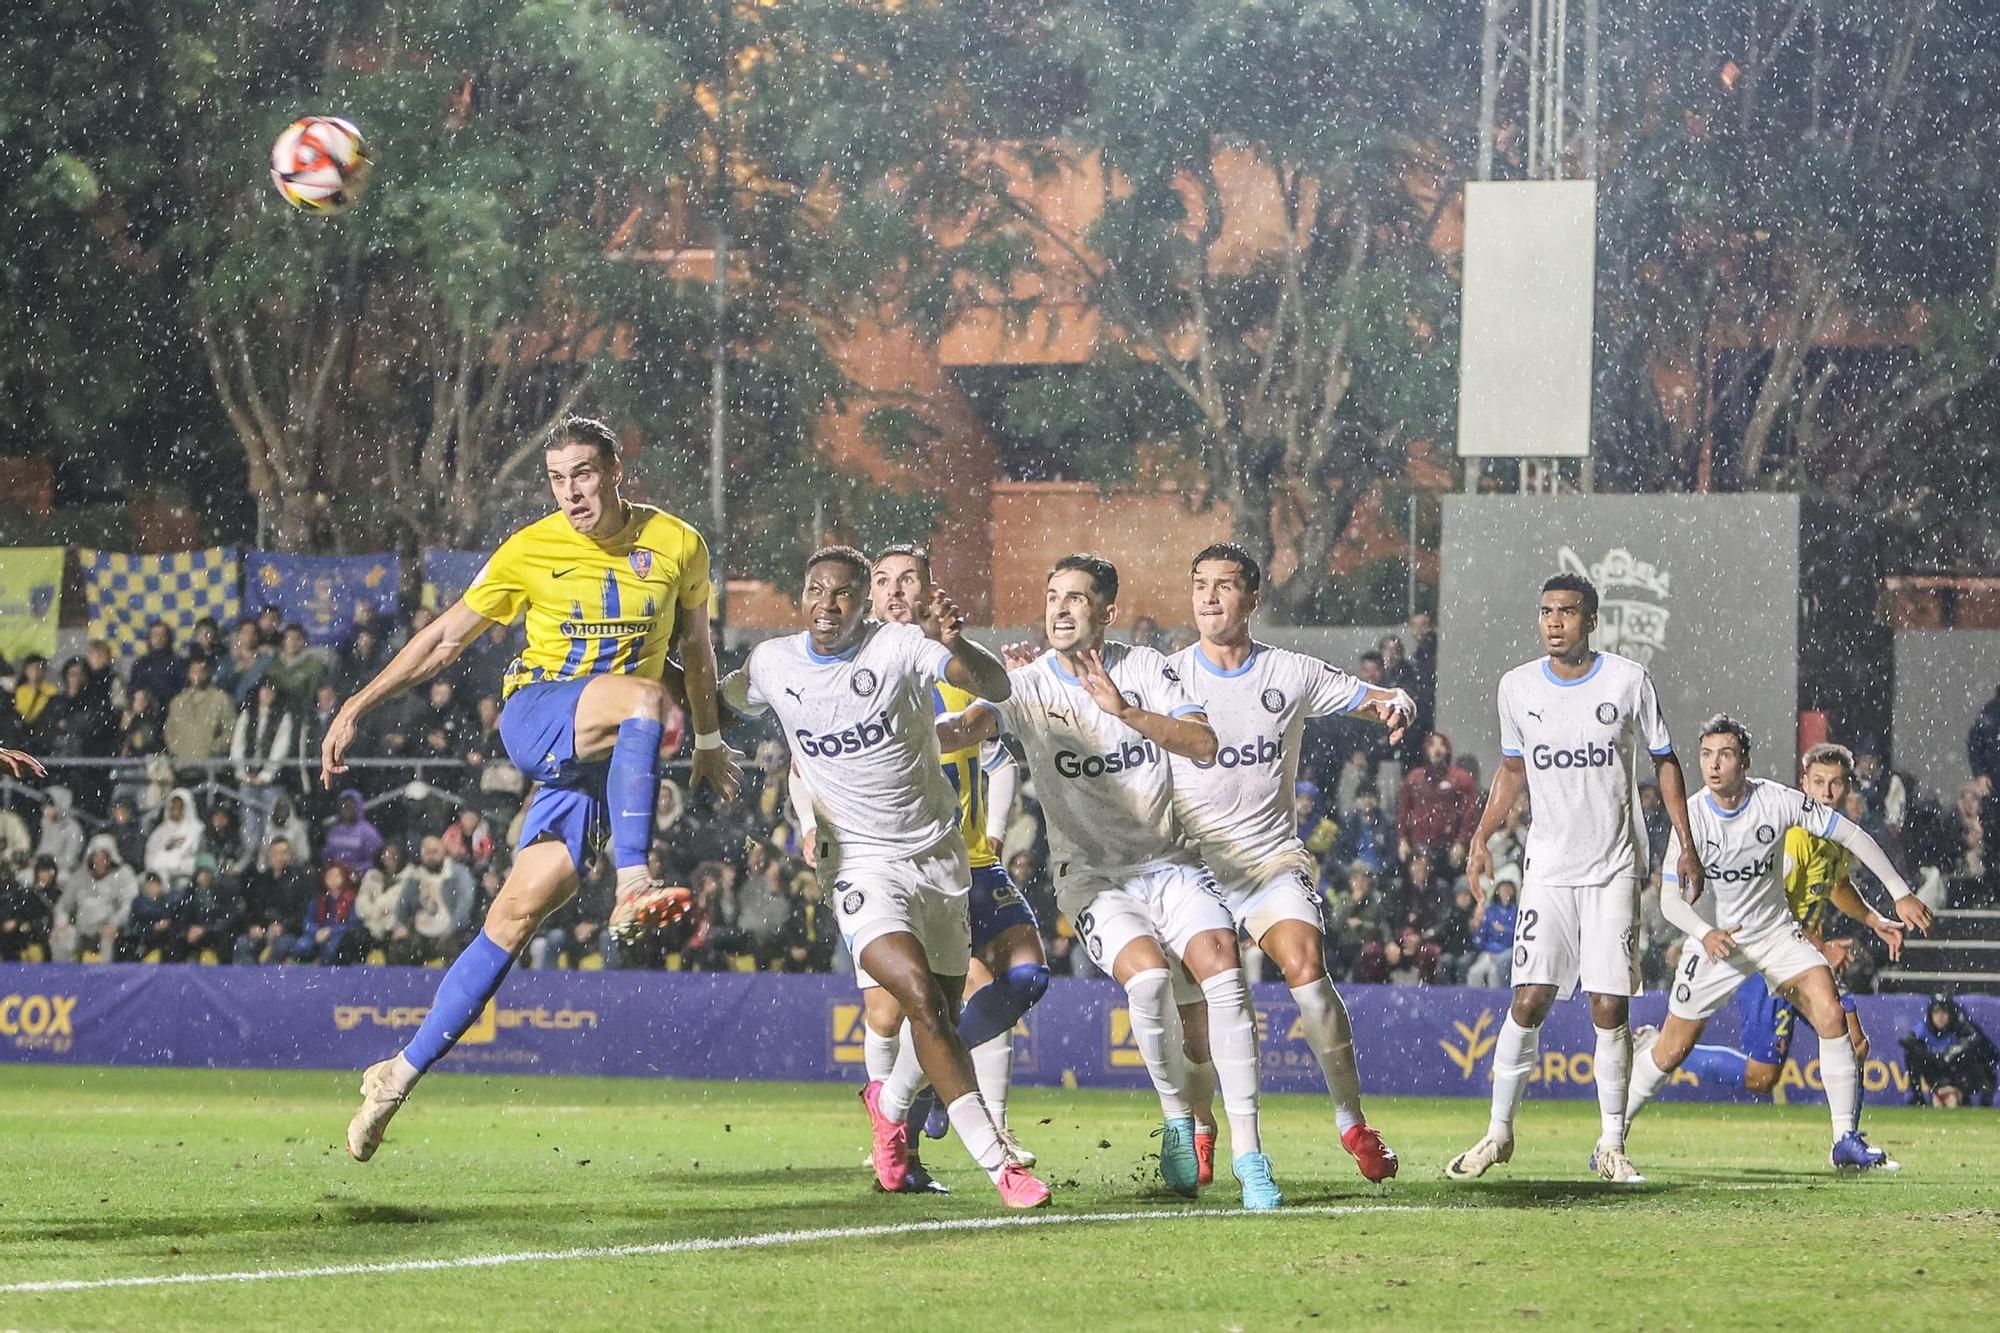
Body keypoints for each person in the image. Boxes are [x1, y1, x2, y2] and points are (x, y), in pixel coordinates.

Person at [336, 415, 739, 1161]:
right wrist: (361, 702)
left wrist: (712, 741)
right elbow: (445, 637)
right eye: (557, 478)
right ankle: (633, 878)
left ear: (618, 469)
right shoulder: (530, 549)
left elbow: (697, 652)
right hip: (539, 714)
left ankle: (396, 1075)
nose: (571, 491)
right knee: (647, 702)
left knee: (515, 915)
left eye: (583, 472)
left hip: (601, 757)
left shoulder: (678, 545)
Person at [937, 553, 1277, 1208]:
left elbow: (1203, 744)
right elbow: (970, 724)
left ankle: (1249, 1153)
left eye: (1076, 598)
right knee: (1149, 981)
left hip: (1171, 861)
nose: (1060, 609)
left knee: (1223, 974)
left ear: (1106, 611)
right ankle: (1179, 1118)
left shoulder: (1149, 668)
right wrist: (918, 734)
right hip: (1092, 874)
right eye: (1052, 596)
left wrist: (1124, 710)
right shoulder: (1027, 683)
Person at [722, 545, 1047, 1208]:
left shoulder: (899, 646)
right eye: (816, 590)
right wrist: (691, 716)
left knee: (942, 1012)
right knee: (916, 999)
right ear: (801, 596)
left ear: (860, 602)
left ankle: (890, 1111)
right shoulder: (773, 663)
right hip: (859, 865)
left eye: (840, 592)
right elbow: (721, 701)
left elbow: (995, 686)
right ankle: (1001, 1163)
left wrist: (960, 643)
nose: (827, 603)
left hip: (937, 857)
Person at [1162, 543, 1408, 1184]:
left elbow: (1371, 695)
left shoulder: (1288, 673)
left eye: (1223, 585)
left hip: (1269, 859)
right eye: (1200, 585)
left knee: (1304, 964)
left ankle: (1352, 1122)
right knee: (1199, 1019)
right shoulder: (1165, 677)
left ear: (1252, 598)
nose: (1209, 597)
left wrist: (1395, 703)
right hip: (1192, 865)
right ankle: (1204, 1126)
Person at [1447, 572, 1701, 1186]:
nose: (1555, 621)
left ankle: (1612, 1143)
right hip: (1549, 869)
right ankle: (1497, 1134)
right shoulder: (1517, 687)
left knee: (1608, 1006)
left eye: (1567, 611)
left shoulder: (1627, 681)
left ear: (1591, 620)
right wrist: (1481, 835)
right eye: (1546, 612)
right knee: (1528, 998)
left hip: (1613, 866)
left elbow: (1665, 760)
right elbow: (1512, 769)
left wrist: (1683, 843)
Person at [1621, 716, 1919, 1171]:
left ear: (1745, 761)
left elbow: (1852, 836)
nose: (1714, 765)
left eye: (1725, 754)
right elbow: (1667, 899)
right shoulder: (1693, 816)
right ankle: (1611, 1138)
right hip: (1716, 943)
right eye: (1706, 755)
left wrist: (1897, 894)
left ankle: (1845, 1142)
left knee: (1831, 1012)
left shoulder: (1776, 801)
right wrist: (1704, 933)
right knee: (1672, 1051)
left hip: (1775, 933)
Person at [840, 544, 1050, 1184]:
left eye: (910, 579)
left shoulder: (953, 664)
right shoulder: (853, 672)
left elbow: (999, 708)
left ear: (933, 591)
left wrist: (974, 652)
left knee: (1027, 978)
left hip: (971, 861)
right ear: (870, 599)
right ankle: (901, 1152)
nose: (896, 590)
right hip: (889, 864)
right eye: (883, 581)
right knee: (892, 1012)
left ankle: (919, 1091)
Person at [1668, 743, 1932, 1100]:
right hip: (1769, 959)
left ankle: (1849, 1141)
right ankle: (1665, 1052)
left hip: (1803, 956)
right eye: (1819, 782)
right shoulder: (1793, 838)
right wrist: (1823, 947)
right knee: (1761, 1077)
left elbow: (1836, 885)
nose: (1827, 792)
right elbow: (1774, 914)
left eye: (1836, 783)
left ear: (1848, 788)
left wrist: (1873, 919)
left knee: (1854, 1043)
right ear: (1803, 784)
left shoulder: (1832, 835)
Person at [1396, 732, 1480, 870]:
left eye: (1441, 745)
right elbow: (1403, 812)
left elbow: (1469, 814)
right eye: (1432, 745)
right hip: (1420, 846)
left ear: (1447, 750)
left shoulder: (1461, 780)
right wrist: (1402, 839)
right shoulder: (1414, 779)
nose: (1437, 749)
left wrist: (1461, 842)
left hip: (1450, 845)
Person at [50, 835, 138, 962]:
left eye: (104, 857)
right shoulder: (79, 876)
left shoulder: (124, 874)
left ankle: (106, 976)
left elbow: (129, 903)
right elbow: (64, 905)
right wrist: (60, 923)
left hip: (110, 927)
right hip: (82, 928)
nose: (99, 861)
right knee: (60, 938)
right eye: (96, 857)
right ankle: (64, 976)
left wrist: (115, 923)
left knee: (108, 938)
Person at [1899, 994, 1998, 1108]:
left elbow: (1977, 1041)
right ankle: (1918, 1097)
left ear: (1950, 1014)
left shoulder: (1960, 1025)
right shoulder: (1924, 1029)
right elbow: (1906, 1040)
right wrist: (1931, 1055)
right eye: (1936, 1013)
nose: (1940, 1017)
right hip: (1937, 1073)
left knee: (1975, 1055)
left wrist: (1953, 1052)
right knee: (1912, 1054)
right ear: (1930, 1015)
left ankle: (1977, 1100)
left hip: (1960, 1074)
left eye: (1943, 1013)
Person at [231, 678, 295, 843]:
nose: (266, 694)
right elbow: (237, 743)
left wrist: (267, 774)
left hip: (272, 781)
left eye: (270, 691)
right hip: (248, 776)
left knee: (271, 822)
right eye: (264, 690)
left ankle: (267, 857)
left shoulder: (282, 716)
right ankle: (251, 855)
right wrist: (241, 771)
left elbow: (281, 747)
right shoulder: (248, 714)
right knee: (249, 821)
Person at [235, 836, 314, 964]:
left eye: (283, 852)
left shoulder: (300, 880)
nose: (279, 857)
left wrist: (282, 926)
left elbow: (302, 911)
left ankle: (267, 981)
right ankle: (248, 981)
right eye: (275, 853)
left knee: (280, 947)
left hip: (289, 932)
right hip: (263, 930)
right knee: (243, 944)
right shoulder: (261, 880)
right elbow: (253, 909)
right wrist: (254, 927)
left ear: (290, 855)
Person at [356, 841, 419, 961]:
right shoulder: (372, 876)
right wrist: (373, 912)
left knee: (400, 947)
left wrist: (378, 909)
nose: (387, 859)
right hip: (371, 926)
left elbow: (400, 905)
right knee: (354, 939)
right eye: (385, 855)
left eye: (393, 856)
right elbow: (361, 902)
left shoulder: (412, 878)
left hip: (396, 927)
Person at [291, 863, 363, 965]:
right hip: (318, 933)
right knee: (301, 946)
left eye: (336, 875)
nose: (332, 879)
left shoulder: (352, 899)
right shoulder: (319, 899)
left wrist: (331, 931)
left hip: (339, 935)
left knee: (331, 949)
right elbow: (308, 921)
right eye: (329, 876)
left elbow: (353, 924)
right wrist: (316, 931)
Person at [1465, 866, 1521, 988]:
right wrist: (1477, 930)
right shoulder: (1490, 910)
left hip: (1506, 951)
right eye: (1503, 888)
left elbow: (1518, 936)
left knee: (1495, 974)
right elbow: (1482, 934)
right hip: (1489, 952)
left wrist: (1505, 931)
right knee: (1474, 973)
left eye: (1508, 888)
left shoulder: (1517, 911)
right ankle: (1475, 1003)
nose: (1505, 891)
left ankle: (1496, 1004)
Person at [0, 856, 60, 961]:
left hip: (46, 935)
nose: (45, 875)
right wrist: (17, 922)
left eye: (48, 871)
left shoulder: (58, 895)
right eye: (42, 871)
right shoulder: (28, 893)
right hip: (28, 933)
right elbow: (20, 912)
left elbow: (53, 916)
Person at [144, 788, 205, 890]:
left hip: (183, 876)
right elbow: (150, 854)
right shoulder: (160, 831)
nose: (175, 811)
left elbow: (194, 858)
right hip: (158, 876)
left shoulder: (196, 830)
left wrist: (174, 865)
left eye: (179, 807)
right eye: (173, 807)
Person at [322, 789, 385, 875]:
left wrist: (357, 869)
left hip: (360, 876)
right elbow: (327, 855)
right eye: (344, 806)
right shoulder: (334, 831)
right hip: (336, 876)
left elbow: (376, 860)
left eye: (350, 806)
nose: (347, 810)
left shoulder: (368, 832)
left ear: (358, 807)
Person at [129, 621, 188, 705]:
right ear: (149, 638)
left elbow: (183, 690)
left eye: (162, 635)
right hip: (146, 708)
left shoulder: (179, 663)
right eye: (155, 635)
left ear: (168, 638)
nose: (159, 638)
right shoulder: (140, 664)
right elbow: (133, 689)